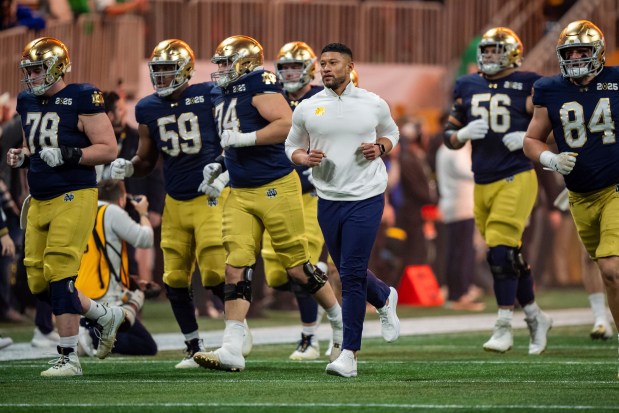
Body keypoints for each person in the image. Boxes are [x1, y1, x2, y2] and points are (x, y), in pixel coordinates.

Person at [192, 35, 343, 372]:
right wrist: (220, 167)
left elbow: (285, 125)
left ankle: (338, 320)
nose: (219, 69)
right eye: (217, 62)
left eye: (224, 62)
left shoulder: (259, 83)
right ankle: (232, 346)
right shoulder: (220, 92)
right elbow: (232, 138)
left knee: (297, 268)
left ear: (244, 63)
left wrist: (246, 139)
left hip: (277, 186)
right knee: (235, 265)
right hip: (241, 190)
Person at [110, 39, 251, 368]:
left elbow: (233, 138)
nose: (161, 78)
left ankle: (237, 328)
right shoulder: (147, 107)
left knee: (216, 273)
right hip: (176, 200)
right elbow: (147, 158)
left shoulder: (210, 96)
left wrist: (223, 171)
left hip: (210, 197)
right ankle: (192, 346)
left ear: (185, 70)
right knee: (174, 278)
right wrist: (130, 166)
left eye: (167, 70)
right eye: (156, 71)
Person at [7, 36, 125, 377]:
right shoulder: (27, 100)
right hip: (39, 197)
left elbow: (108, 148)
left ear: (57, 66)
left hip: (74, 193)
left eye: (38, 68)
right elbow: (33, 143)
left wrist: (71, 154)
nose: (31, 76)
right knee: (38, 283)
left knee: (60, 272)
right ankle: (105, 315)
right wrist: (21, 157)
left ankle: (68, 357)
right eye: (28, 69)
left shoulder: (81, 97)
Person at [285, 42, 401, 378]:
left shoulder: (373, 103)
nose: (325, 68)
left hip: (366, 195)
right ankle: (383, 296)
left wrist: (380, 147)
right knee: (347, 268)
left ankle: (349, 353)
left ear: (350, 66)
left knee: (349, 274)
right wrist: (301, 158)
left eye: (333, 62)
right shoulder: (308, 107)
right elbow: (291, 144)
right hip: (327, 198)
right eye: (322, 64)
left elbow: (391, 132)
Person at [443, 27, 552, 355]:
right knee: (507, 255)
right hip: (483, 179)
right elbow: (448, 134)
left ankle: (504, 325)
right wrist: (461, 135)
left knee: (500, 253)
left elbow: (553, 122)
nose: (489, 56)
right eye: (486, 51)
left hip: (517, 175)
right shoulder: (467, 84)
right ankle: (534, 315)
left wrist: (529, 139)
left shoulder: (529, 83)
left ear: (513, 53)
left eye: (495, 51)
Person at [523, 20, 619, 362]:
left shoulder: (616, 80)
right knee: (606, 274)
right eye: (570, 52)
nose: (576, 57)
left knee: (611, 268)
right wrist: (549, 157)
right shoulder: (549, 88)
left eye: (583, 51)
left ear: (598, 53)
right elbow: (532, 139)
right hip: (580, 195)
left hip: (616, 188)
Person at [263, 40, 332, 360]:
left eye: (295, 66)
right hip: (277, 192)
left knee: (302, 267)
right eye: (285, 67)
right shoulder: (270, 98)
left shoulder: (326, 96)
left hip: (313, 193)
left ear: (308, 69)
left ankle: (310, 337)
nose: (289, 73)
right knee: (279, 275)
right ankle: (326, 303)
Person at [75, 179, 157, 356]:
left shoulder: (81, 211)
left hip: (82, 295)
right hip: (106, 299)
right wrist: (143, 214)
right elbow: (145, 239)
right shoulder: (110, 211)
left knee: (146, 343)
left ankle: (87, 332)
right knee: (146, 345)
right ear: (121, 199)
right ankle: (93, 336)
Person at [436, 141, 485, 311]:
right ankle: (460, 294)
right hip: (461, 206)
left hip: (454, 205)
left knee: (456, 252)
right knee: (462, 252)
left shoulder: (445, 148)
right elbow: (470, 171)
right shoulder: (456, 149)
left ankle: (455, 293)